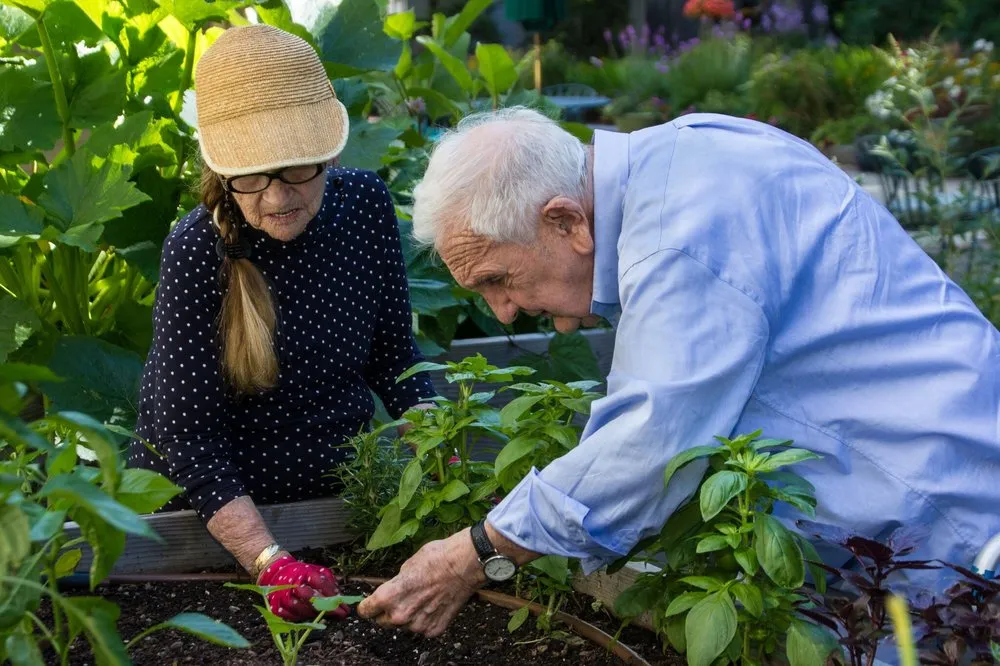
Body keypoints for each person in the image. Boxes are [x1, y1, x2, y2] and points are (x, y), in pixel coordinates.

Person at [357, 107, 1000, 637]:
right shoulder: (683, 154)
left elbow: (654, 436)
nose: (502, 310)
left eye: (498, 279)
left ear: (566, 220)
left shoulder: (676, 236)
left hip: (955, 507)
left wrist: (477, 550)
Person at [128, 24, 434, 622]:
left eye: (297, 169)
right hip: (206, 527)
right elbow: (188, 440)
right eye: (251, 177)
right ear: (222, 173)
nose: (275, 197)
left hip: (337, 506)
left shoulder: (365, 208)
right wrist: (270, 560)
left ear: (331, 154)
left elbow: (396, 358)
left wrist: (444, 451)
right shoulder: (197, 250)